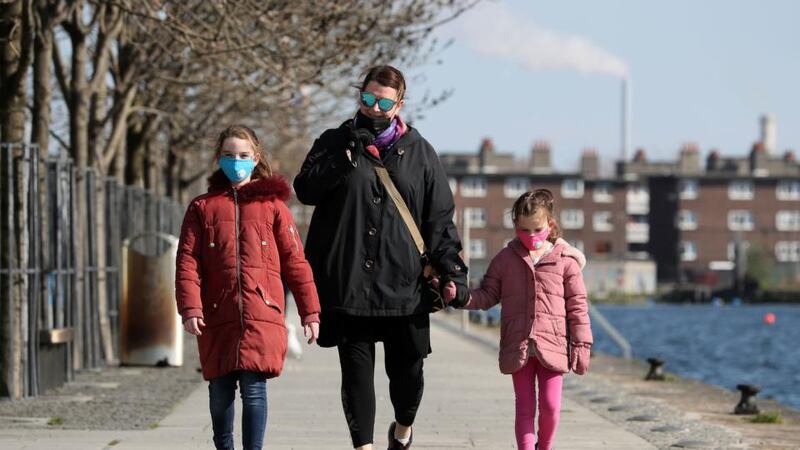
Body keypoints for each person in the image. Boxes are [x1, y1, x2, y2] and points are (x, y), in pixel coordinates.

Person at [293, 65, 470, 450]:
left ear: (399, 104)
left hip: (404, 284)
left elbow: (439, 219)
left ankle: (403, 430)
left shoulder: (421, 153)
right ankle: (364, 446)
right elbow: (305, 190)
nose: (373, 108)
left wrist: (454, 272)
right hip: (349, 281)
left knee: (408, 374)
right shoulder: (333, 141)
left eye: (383, 102)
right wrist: (342, 157)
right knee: (356, 373)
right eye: (367, 99)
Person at [175, 125, 321, 450]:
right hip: (216, 312)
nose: (236, 162)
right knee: (220, 391)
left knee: (255, 389)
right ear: (219, 159)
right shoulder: (202, 207)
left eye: (242, 155)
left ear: (255, 158)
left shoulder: (274, 208)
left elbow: (296, 262)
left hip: (261, 312)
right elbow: (187, 261)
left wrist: (310, 312)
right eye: (228, 155)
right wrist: (190, 307)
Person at [441, 189, 593, 450]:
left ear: (550, 225)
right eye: (524, 230)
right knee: (524, 406)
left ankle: (544, 445)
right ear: (515, 226)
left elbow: (578, 308)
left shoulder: (565, 262)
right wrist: (461, 297)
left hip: (553, 344)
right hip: (518, 344)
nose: (530, 236)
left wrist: (582, 345)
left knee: (551, 406)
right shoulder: (505, 260)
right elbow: (487, 295)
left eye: (537, 229)